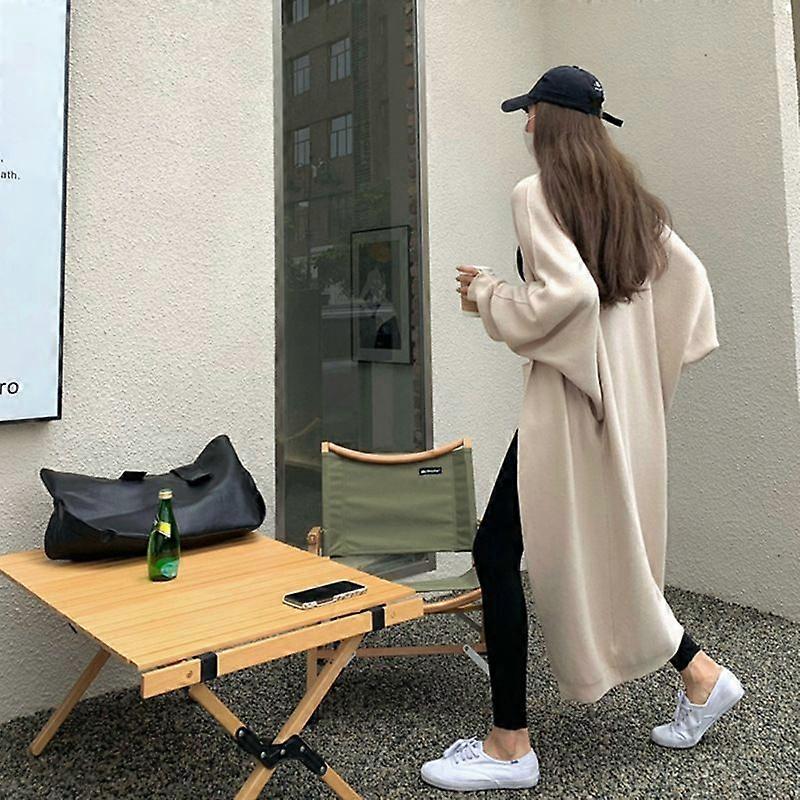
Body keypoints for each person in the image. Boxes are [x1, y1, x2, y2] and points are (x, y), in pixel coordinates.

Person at [420, 65, 745, 792]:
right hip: (622, 404)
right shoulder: (631, 203)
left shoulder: (536, 193)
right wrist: (641, 363)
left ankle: (510, 746)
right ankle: (700, 673)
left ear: (549, 119)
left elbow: (563, 298)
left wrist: (490, 294)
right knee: (610, 544)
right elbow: (689, 282)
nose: (524, 124)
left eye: (529, 112)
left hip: (571, 403)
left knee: (496, 548)